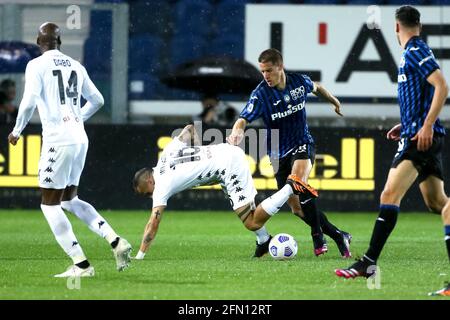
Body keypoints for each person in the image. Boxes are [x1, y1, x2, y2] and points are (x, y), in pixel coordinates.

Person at [335, 6, 450, 297]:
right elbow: (426, 93)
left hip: (419, 139)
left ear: (396, 28)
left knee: (389, 195)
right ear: (418, 25)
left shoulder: (415, 50)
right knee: (439, 205)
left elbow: (441, 86)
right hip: (417, 134)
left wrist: (424, 126)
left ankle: (368, 263)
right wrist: (409, 123)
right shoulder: (413, 50)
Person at [7, 22, 132, 278]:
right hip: (79, 138)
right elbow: (98, 100)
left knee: (49, 205)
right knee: (69, 200)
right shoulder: (76, 65)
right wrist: (76, 118)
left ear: (38, 42)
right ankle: (115, 240)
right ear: (60, 41)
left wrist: (17, 130)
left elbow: (29, 100)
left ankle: (82, 265)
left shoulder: (36, 65)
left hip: (58, 140)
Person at [227, 48, 352, 258]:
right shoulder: (261, 95)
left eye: (269, 70)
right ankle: (339, 235)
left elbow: (317, 88)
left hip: (303, 143)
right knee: (297, 209)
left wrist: (334, 101)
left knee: (297, 181)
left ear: (280, 67)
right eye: (262, 72)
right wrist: (236, 133)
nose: (265, 76)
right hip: (278, 154)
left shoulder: (298, 82)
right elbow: (243, 118)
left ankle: (317, 236)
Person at [132, 124, 317, 260]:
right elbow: (189, 129)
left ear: (149, 180)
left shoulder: (160, 185)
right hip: (225, 154)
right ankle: (264, 242)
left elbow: (152, 224)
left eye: (145, 192)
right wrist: (199, 150)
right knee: (246, 211)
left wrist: (140, 255)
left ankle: (290, 186)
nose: (147, 196)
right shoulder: (166, 153)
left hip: (228, 167)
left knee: (252, 221)